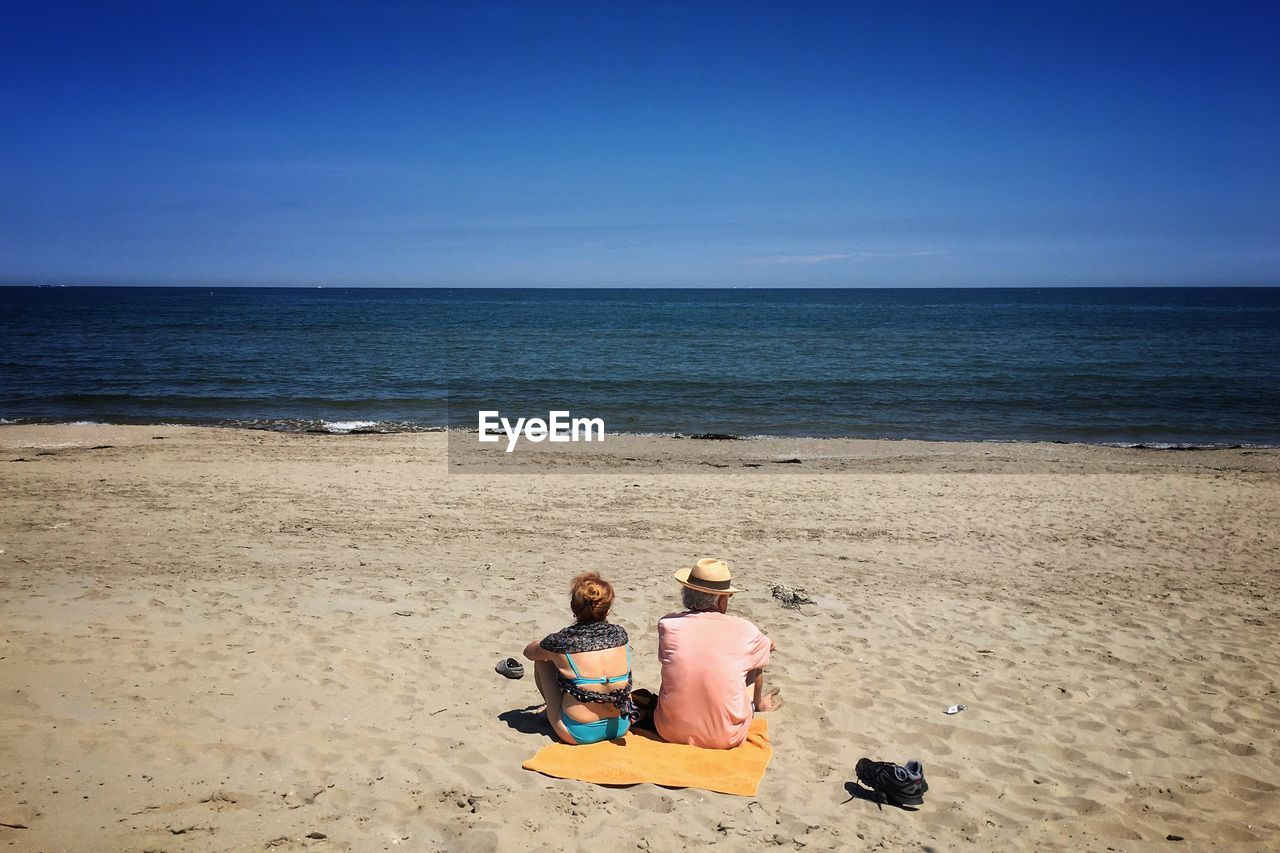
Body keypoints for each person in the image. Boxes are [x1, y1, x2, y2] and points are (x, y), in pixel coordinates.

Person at [654, 558, 782, 749]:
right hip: (725, 736)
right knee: (753, 662)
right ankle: (759, 703)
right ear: (722, 600)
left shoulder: (668, 625)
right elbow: (769, 647)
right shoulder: (744, 629)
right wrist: (764, 645)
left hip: (669, 730)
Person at [523, 572, 637, 744]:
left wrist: (544, 646)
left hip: (576, 732)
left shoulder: (562, 641)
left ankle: (551, 711)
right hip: (621, 725)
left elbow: (528, 652)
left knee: (542, 660)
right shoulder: (621, 635)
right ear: (608, 610)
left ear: (573, 608)